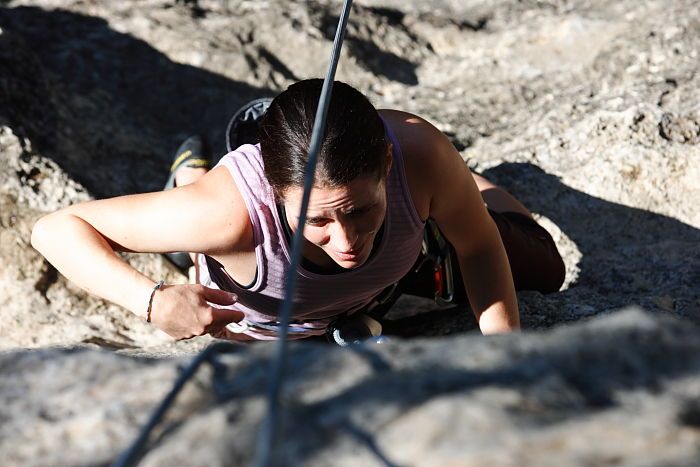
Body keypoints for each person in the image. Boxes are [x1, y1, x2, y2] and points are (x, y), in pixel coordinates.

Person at [30, 79, 564, 343]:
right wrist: (151, 302)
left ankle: (458, 186)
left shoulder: (416, 151)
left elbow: (477, 244)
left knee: (544, 268)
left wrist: (507, 360)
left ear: (384, 163)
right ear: (274, 188)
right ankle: (192, 169)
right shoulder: (225, 213)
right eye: (318, 220)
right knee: (189, 234)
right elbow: (54, 229)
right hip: (257, 281)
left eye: (358, 211)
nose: (347, 239)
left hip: (397, 269)